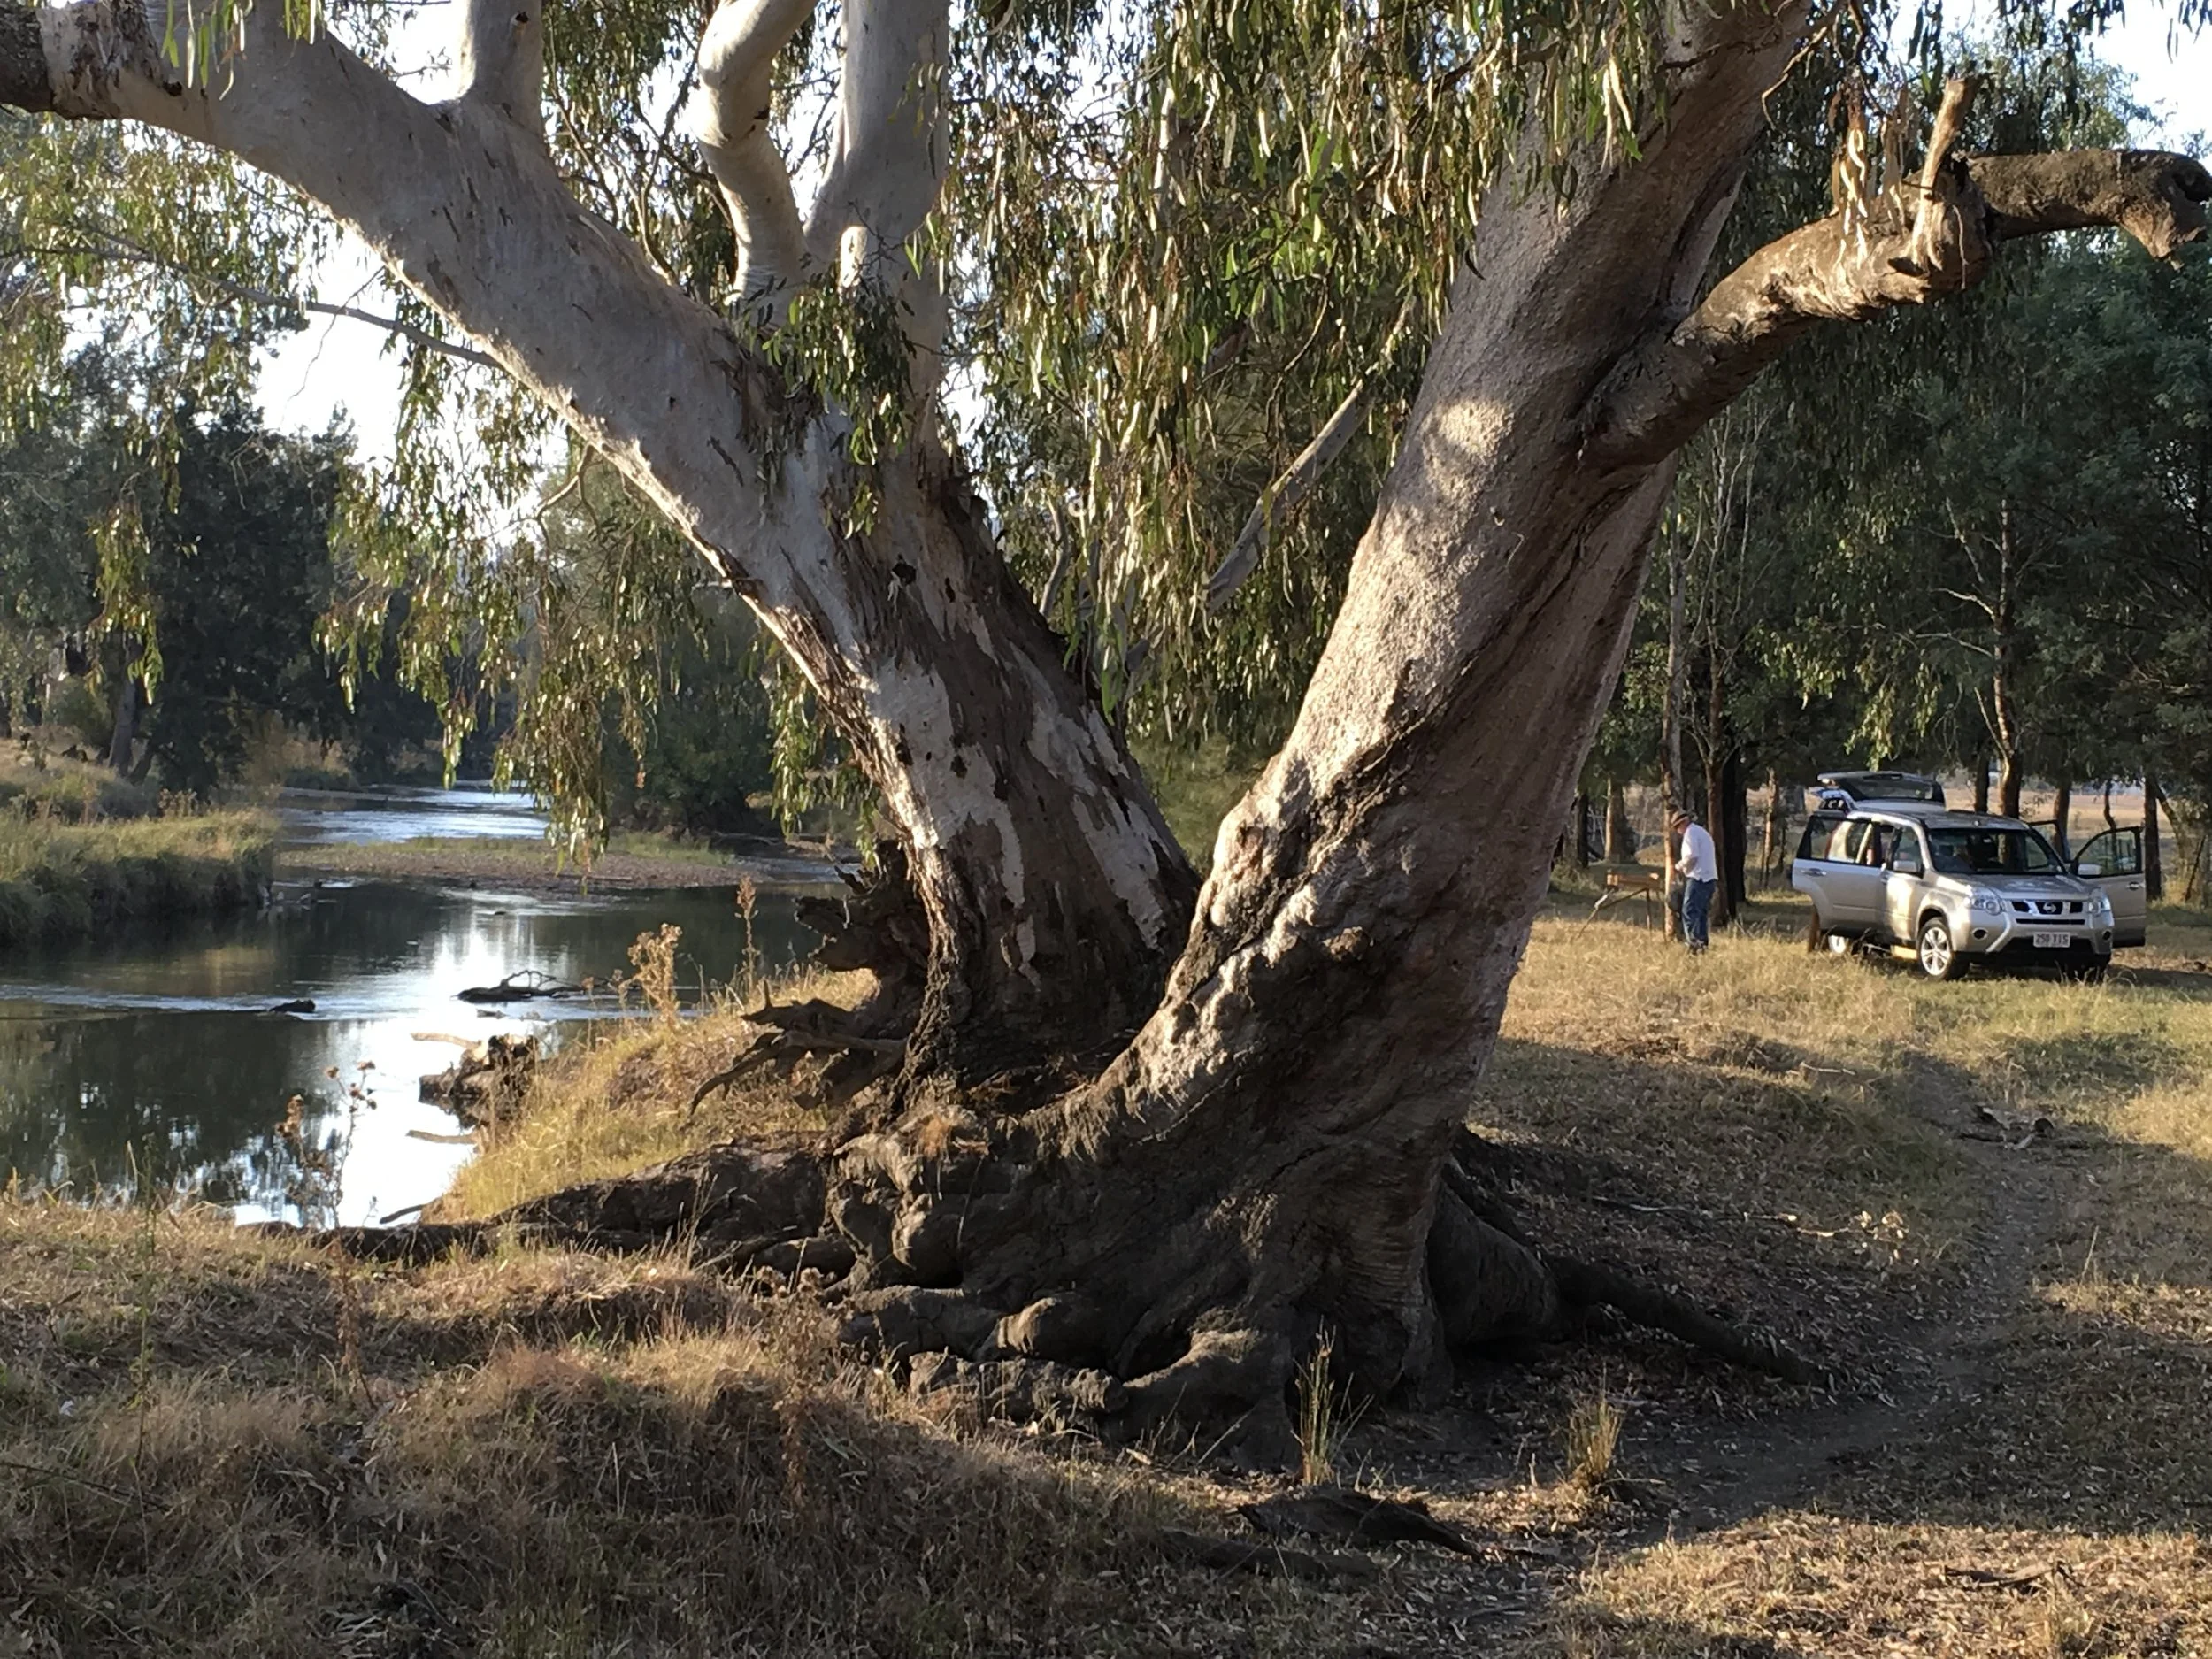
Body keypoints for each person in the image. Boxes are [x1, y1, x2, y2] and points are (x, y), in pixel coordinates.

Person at [1671, 808, 1719, 952]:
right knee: (1701, 912)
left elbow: (1692, 856)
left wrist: (1678, 867)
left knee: (1689, 910)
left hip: (1698, 877)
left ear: (1683, 824)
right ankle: (1702, 943)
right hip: (1709, 878)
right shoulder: (1701, 832)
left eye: (1677, 827)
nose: (1677, 831)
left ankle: (1693, 944)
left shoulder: (1691, 833)